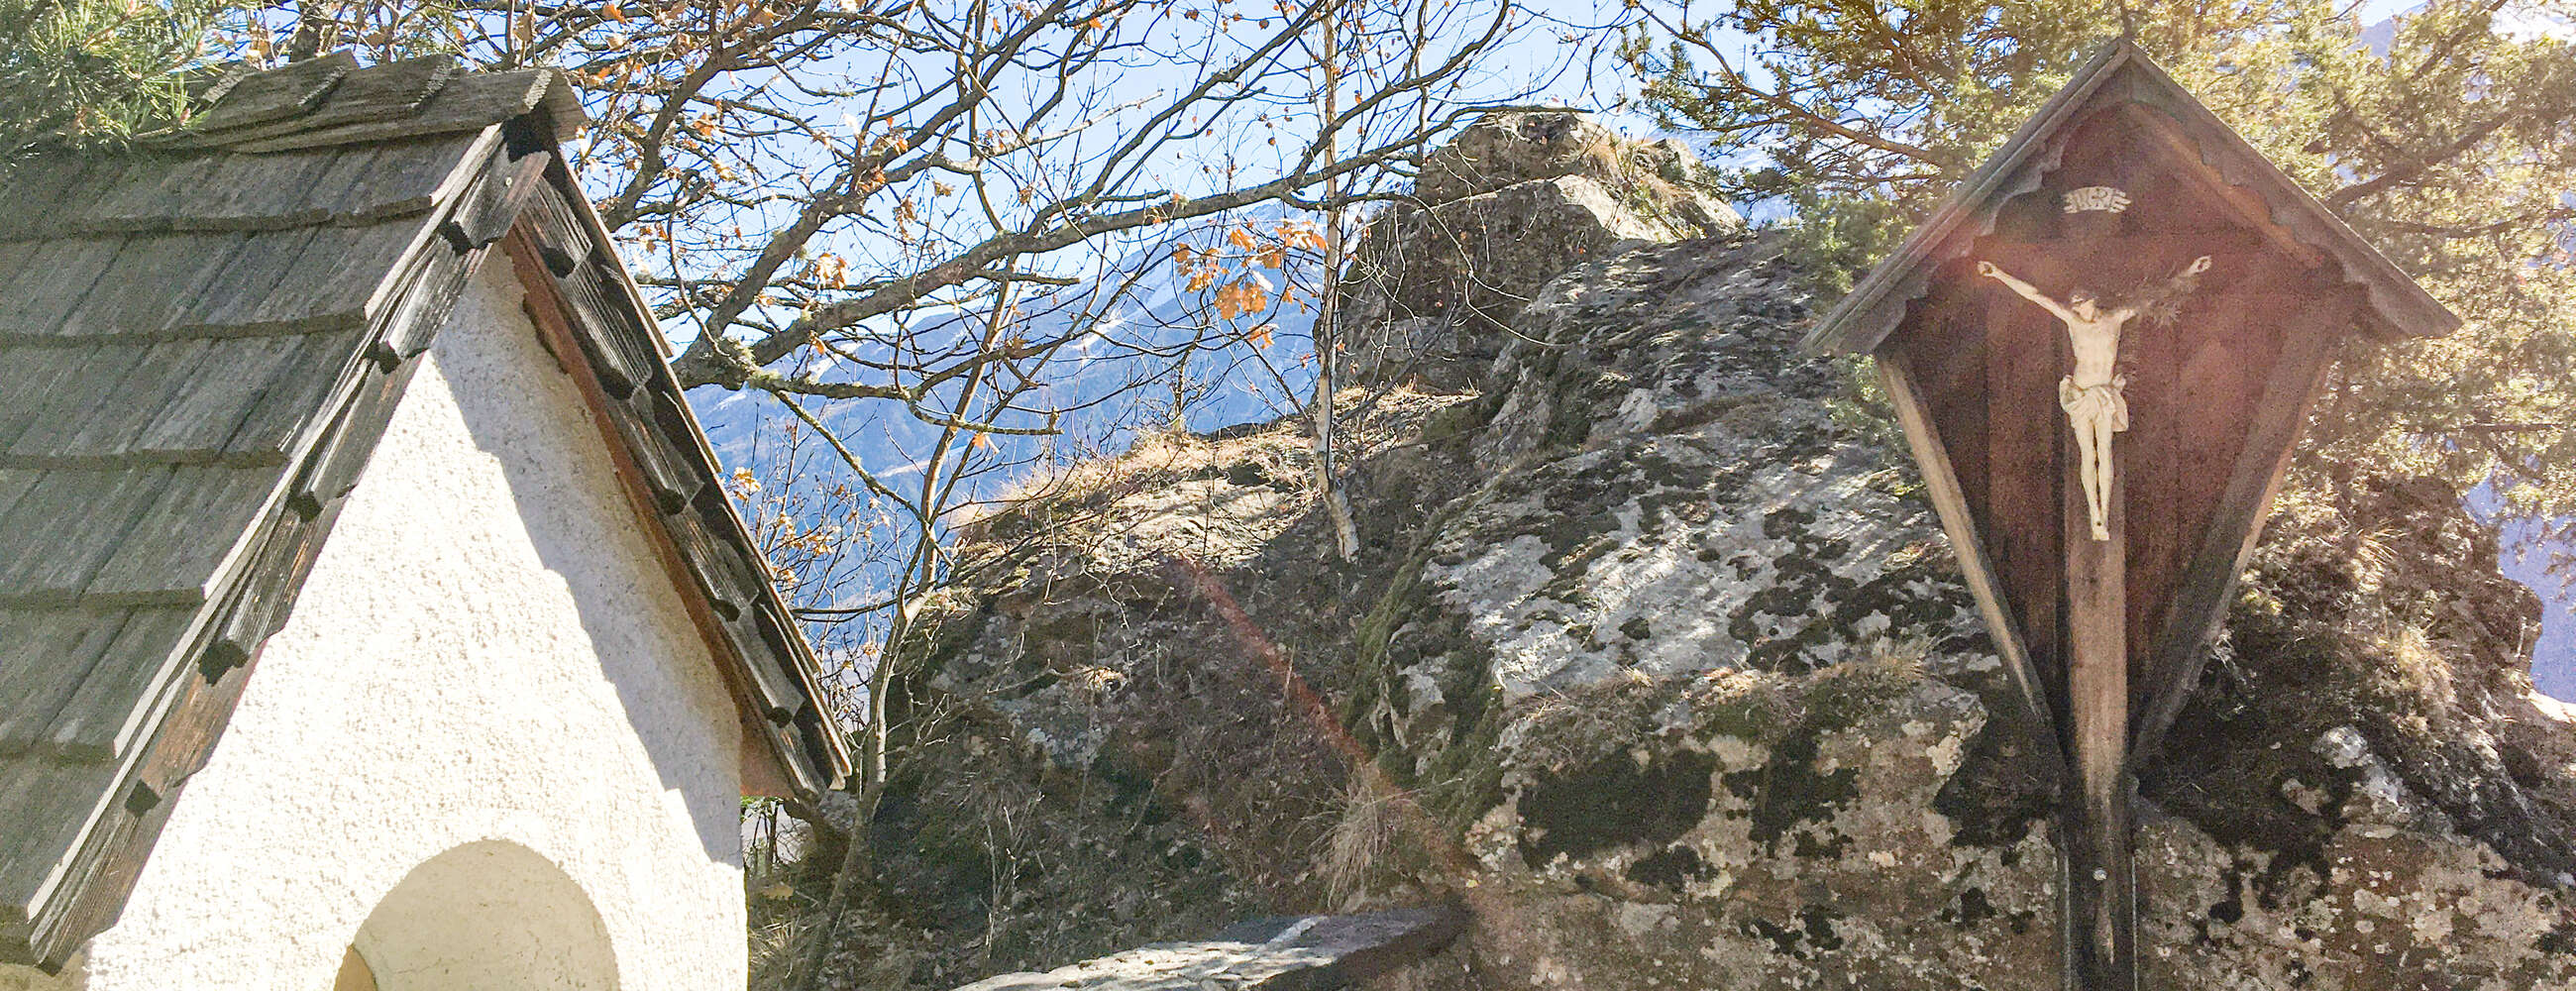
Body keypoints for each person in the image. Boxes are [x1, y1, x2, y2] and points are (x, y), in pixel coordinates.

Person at [1977, 255, 2212, 541]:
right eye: (2074, 305)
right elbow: (2035, 296)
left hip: (2104, 394)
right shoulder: (2072, 321)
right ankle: (2094, 514)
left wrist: (2189, 270)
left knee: (2105, 453)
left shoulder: (2114, 318)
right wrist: (1998, 273)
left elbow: (2152, 297)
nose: (2078, 310)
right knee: (2087, 454)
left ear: (2092, 302)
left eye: (2081, 304)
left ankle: (2105, 511)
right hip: (2080, 394)